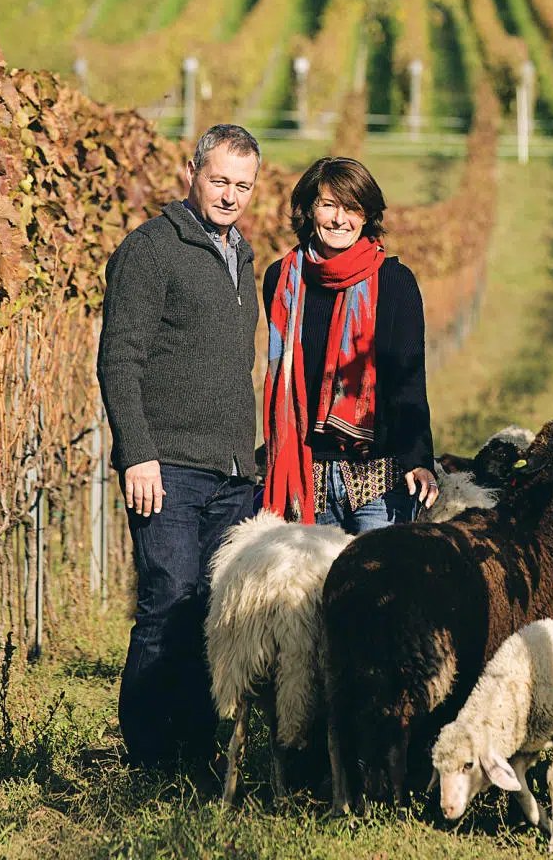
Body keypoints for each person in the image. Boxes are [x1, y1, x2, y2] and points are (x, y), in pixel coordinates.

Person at [97, 123, 263, 767]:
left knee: (210, 609)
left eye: (242, 186)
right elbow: (120, 360)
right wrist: (137, 452)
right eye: (220, 180)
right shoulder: (151, 251)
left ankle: (194, 748)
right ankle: (147, 752)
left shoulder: (240, 256)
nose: (230, 196)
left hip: (232, 473)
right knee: (167, 601)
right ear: (191, 172)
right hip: (166, 466)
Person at [261, 156, 438, 532]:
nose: (340, 220)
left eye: (352, 208)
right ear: (309, 210)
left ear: (366, 216)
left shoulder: (394, 282)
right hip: (306, 483)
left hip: (380, 484)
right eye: (328, 205)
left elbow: (409, 380)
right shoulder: (281, 280)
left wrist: (418, 458)